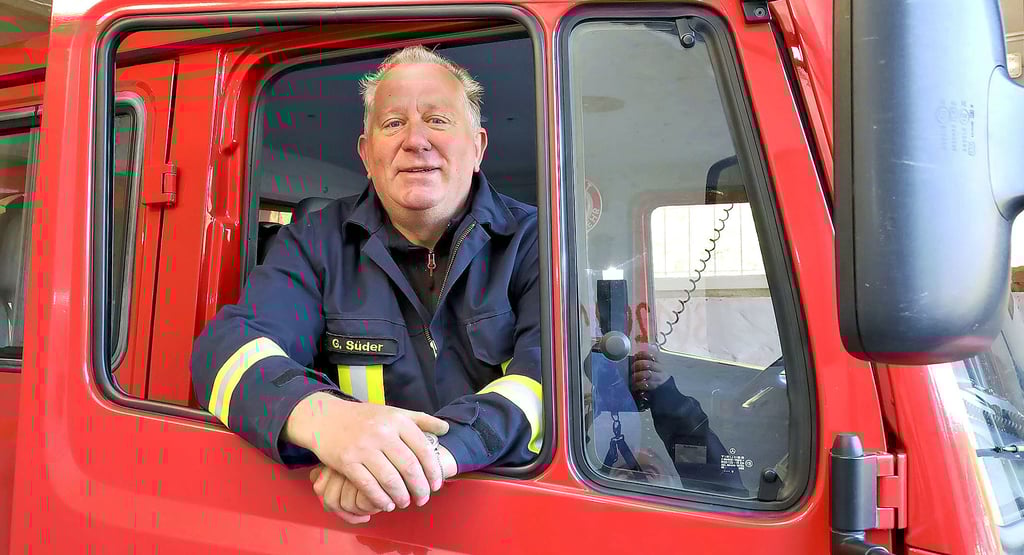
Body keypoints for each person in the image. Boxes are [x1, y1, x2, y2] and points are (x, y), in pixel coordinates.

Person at [189, 45, 543, 524]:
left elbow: (546, 384)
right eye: (393, 123)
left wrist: (412, 460)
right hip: (350, 531)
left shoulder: (537, 242)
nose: (415, 140)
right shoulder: (314, 243)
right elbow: (227, 351)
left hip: (508, 519)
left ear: (478, 147)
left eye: (437, 120)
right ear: (366, 153)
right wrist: (326, 422)